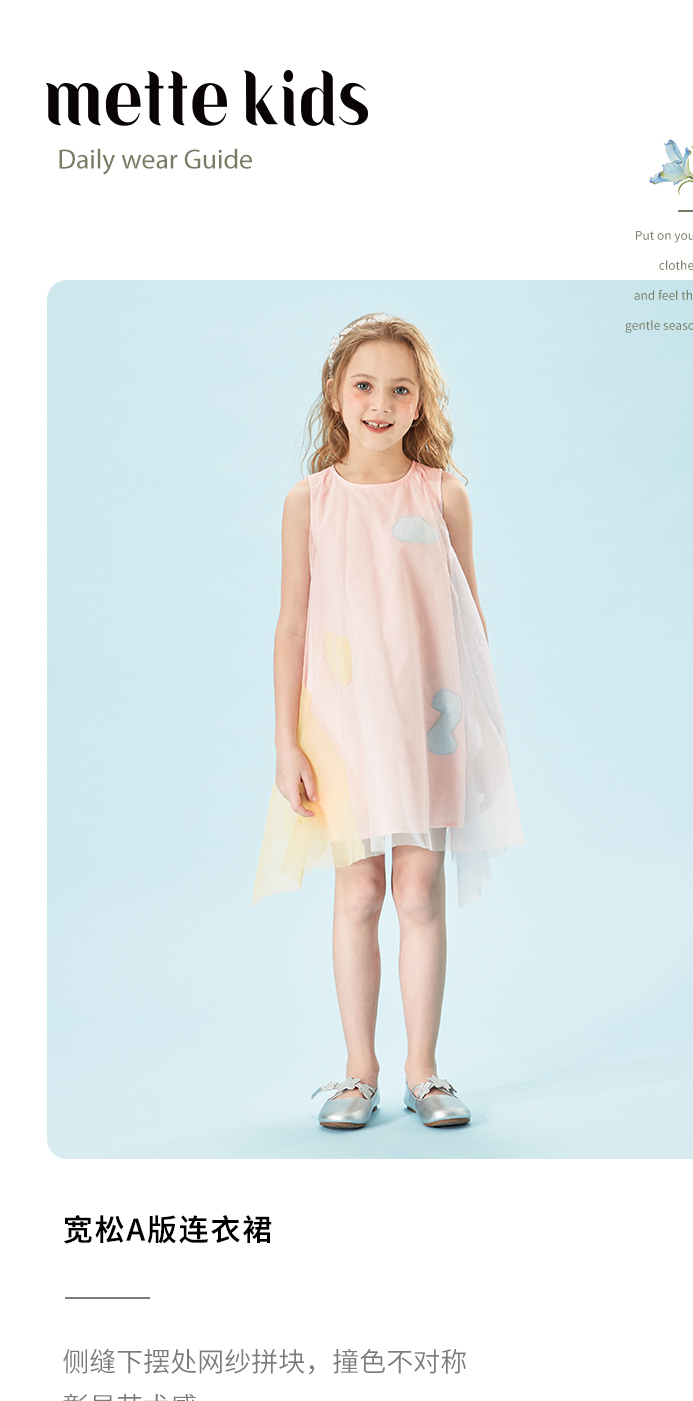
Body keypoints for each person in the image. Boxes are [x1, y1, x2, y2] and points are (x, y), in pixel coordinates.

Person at [253, 313, 523, 1129]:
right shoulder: (310, 501)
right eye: (364, 385)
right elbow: (292, 624)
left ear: (420, 402)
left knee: (418, 889)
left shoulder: (442, 494)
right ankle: (358, 1072)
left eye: (399, 389)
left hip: (427, 724)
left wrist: (479, 731)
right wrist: (286, 741)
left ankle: (424, 1072)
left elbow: (468, 616)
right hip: (344, 727)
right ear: (336, 395)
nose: (380, 404)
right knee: (360, 889)